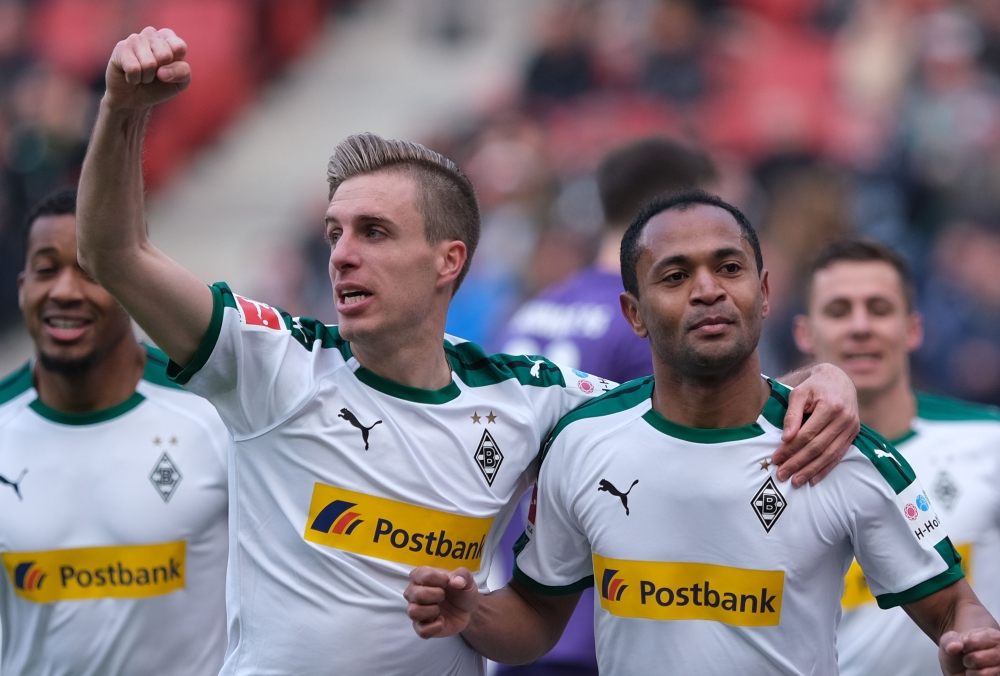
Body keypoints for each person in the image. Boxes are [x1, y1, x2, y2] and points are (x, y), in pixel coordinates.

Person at [76, 28, 860, 676]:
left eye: (374, 233)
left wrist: (819, 377)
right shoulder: (270, 363)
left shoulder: (532, 396)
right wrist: (120, 111)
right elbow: (115, 254)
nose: (342, 255)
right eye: (334, 234)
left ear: (449, 261)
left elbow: (696, 400)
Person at [405, 190, 1000, 675]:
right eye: (675, 275)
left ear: (763, 294)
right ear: (634, 313)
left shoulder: (839, 450)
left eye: (730, 267)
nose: (708, 289)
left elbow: (953, 607)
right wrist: (473, 615)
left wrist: (971, 643)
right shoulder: (582, 444)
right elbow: (536, 617)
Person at [493, 136, 717, 676]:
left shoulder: (533, 310)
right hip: (607, 624)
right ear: (672, 212)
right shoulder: (646, 322)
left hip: (521, 612)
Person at [0, 187, 229, 675]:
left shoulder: (215, 414)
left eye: (89, 271)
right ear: (22, 287)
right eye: (46, 270)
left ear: (130, 283)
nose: (64, 290)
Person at [793, 240, 1000, 676]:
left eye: (880, 308)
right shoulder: (773, 460)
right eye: (838, 310)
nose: (861, 326)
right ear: (804, 333)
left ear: (914, 329)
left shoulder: (989, 439)